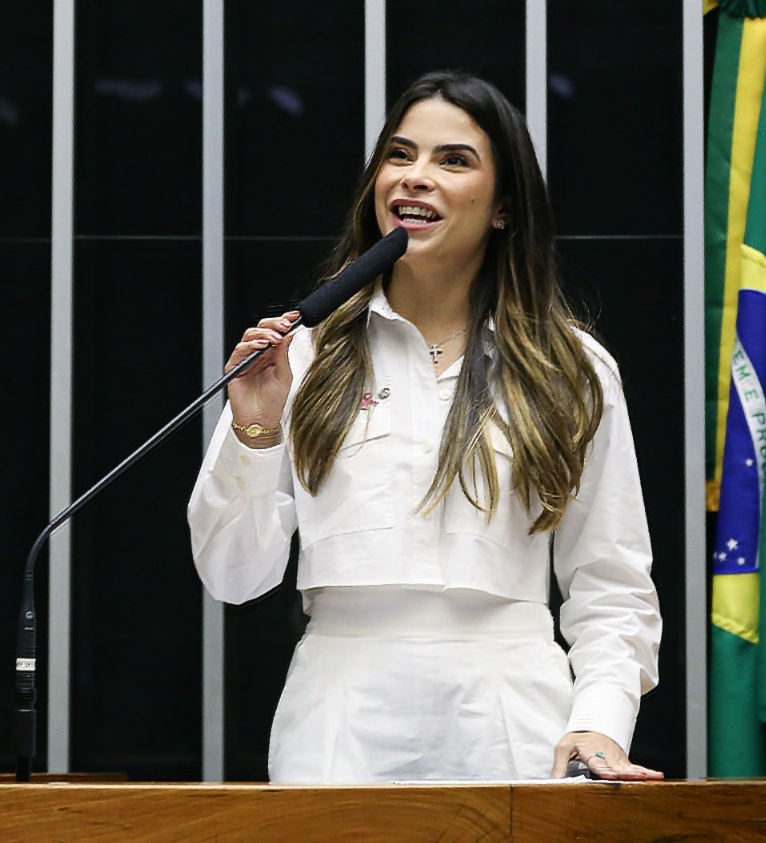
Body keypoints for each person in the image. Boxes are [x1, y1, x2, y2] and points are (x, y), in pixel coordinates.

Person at [188, 71, 662, 784]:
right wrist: (256, 432)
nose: (416, 177)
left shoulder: (571, 366)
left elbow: (612, 581)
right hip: (338, 716)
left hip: (513, 714)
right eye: (399, 155)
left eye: (454, 160)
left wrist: (600, 720)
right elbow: (233, 576)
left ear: (504, 205)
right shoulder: (301, 355)